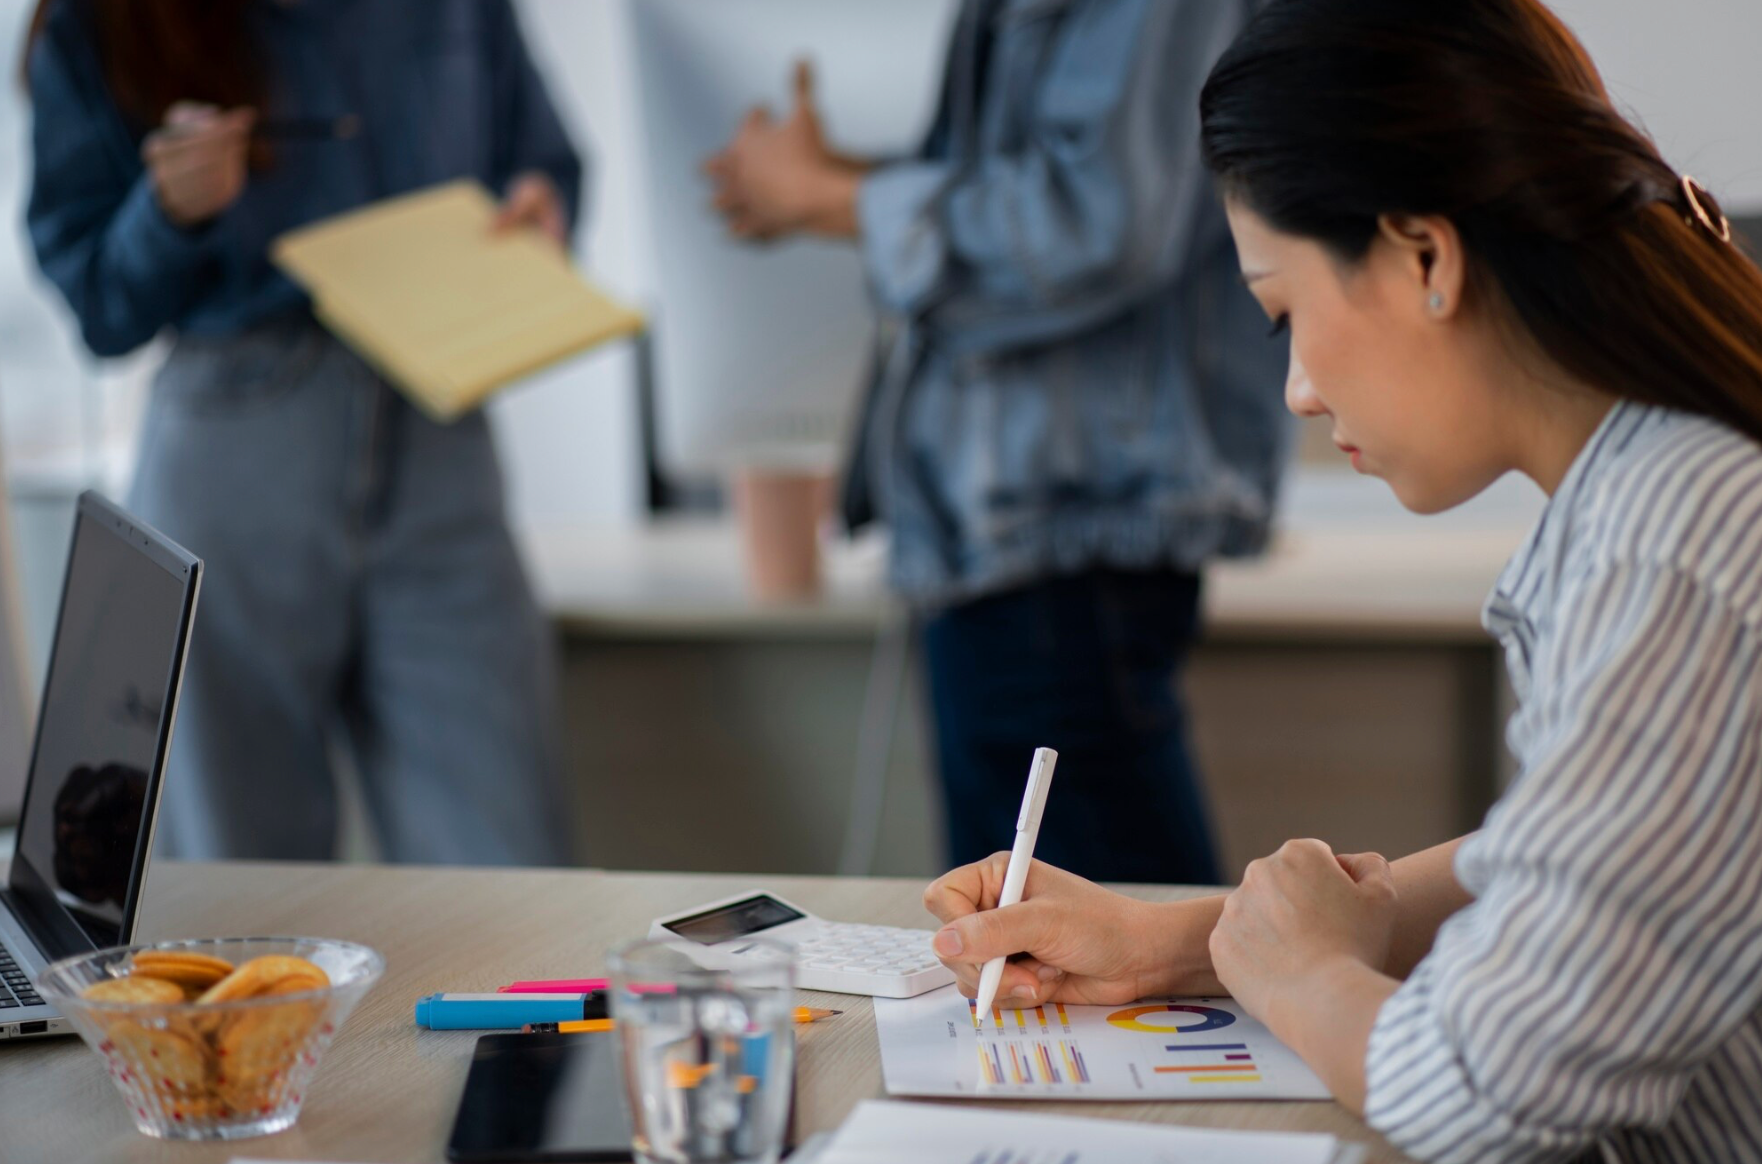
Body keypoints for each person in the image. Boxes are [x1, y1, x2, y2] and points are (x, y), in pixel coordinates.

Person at [922, 1, 1762, 1159]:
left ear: (1425, 255)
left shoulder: (1671, 549)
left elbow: (1484, 1093)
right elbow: (1586, 868)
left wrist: (1306, 973)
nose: (1300, 394)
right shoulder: (1656, 492)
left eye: (1283, 317)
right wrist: (1182, 943)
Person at [705, 0, 1288, 884]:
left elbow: (1101, 221)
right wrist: (846, 187)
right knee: (1053, 958)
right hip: (1013, 528)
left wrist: (837, 199)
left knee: (1108, 971)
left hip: (1063, 525)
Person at [22, 0, 579, 865]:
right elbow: (100, 309)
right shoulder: (97, 24)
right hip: (235, 440)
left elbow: (543, 159)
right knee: (238, 883)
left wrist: (541, 206)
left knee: (512, 857)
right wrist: (167, 214)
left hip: (436, 425)